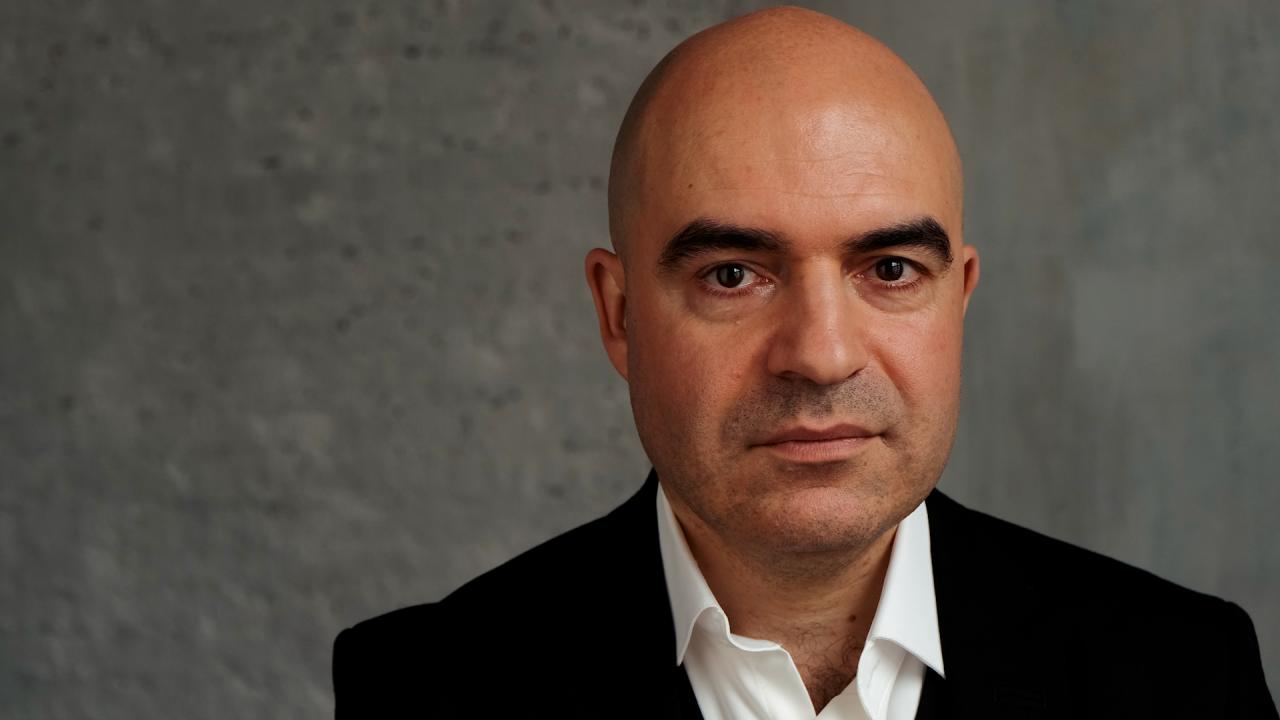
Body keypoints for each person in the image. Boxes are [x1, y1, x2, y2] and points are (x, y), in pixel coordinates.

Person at [332, 7, 1276, 718]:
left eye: (890, 269)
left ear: (959, 299)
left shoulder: (1188, 680)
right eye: (733, 275)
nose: (821, 357)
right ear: (619, 317)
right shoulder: (422, 692)